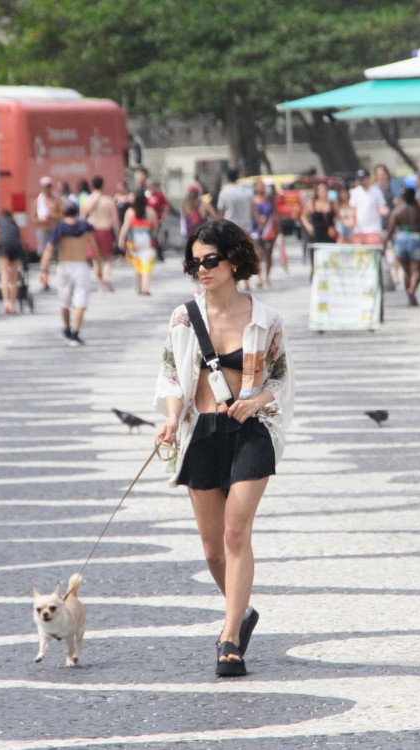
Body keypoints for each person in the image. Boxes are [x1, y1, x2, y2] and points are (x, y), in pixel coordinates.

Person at [154, 218, 294, 677]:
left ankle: (230, 638)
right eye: (195, 263)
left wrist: (254, 403)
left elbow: (280, 379)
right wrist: (172, 418)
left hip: (252, 433)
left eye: (210, 260)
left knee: (237, 533)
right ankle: (243, 610)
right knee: (213, 552)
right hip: (202, 433)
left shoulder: (265, 319)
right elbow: (173, 376)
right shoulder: (183, 319)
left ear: (234, 260)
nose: (202, 270)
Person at [41, 200, 99, 346]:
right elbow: (94, 248)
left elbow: (49, 249)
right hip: (81, 266)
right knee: (81, 300)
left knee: (64, 300)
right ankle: (75, 332)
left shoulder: (60, 227)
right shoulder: (84, 227)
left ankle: (67, 328)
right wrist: (99, 266)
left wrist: (43, 269)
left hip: (64, 266)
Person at [384, 187, 420, 307]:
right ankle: (412, 290)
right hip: (416, 238)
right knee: (416, 270)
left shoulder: (398, 210)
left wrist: (384, 244)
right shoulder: (419, 210)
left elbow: (390, 229)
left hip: (401, 239)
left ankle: (409, 295)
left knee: (407, 271)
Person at [81, 175, 121, 292]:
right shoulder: (108, 201)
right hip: (105, 229)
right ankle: (106, 276)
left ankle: (100, 285)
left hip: (91, 231)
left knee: (95, 259)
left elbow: (83, 218)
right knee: (107, 257)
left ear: (92, 186)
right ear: (103, 185)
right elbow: (115, 220)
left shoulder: (87, 201)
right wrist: (118, 235)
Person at [119, 191, 158, 296]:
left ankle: (139, 287)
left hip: (134, 243)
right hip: (147, 243)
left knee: (137, 265)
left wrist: (121, 240)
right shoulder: (150, 211)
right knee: (146, 266)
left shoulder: (130, 212)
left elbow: (125, 227)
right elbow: (155, 227)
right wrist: (154, 237)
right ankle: (145, 287)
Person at [299, 187, 335, 275]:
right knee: (315, 260)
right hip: (316, 234)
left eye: (324, 190)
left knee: (328, 260)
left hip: (329, 235)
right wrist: (308, 226)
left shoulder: (332, 203)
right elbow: (303, 216)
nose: (322, 192)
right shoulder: (311, 203)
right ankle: (315, 280)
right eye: (320, 190)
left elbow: (337, 217)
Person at [0, 210, 24, 314]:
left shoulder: (0, 221)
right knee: (14, 278)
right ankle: (12, 305)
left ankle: (6, 303)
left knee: (4, 276)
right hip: (16, 247)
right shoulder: (14, 224)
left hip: (4, 247)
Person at [349, 168, 387, 246]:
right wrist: (352, 221)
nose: (362, 182)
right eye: (360, 180)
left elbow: (381, 205)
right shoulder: (355, 192)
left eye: (364, 179)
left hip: (373, 229)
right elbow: (353, 209)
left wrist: (383, 210)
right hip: (359, 230)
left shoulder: (376, 191)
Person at [31, 177, 57, 286]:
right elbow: (33, 218)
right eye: (45, 187)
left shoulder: (55, 200)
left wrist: (52, 216)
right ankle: (45, 278)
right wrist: (40, 220)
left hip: (53, 229)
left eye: (49, 186)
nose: (47, 188)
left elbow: (61, 215)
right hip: (42, 230)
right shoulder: (37, 201)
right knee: (44, 254)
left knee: (55, 255)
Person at [251, 180, 277, 288]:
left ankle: (267, 276)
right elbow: (251, 213)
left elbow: (275, 214)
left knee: (269, 255)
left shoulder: (269, 199)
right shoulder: (252, 200)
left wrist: (278, 230)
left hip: (269, 230)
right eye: (259, 186)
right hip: (256, 231)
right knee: (258, 255)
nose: (261, 188)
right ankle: (259, 277)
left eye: (263, 186)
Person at [216, 169, 255, 236]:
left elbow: (220, 212)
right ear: (238, 177)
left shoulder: (224, 192)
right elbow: (253, 208)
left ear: (227, 178)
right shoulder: (247, 190)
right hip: (246, 227)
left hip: (230, 227)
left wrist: (219, 227)